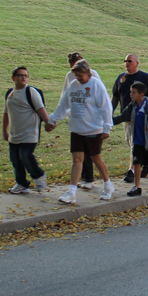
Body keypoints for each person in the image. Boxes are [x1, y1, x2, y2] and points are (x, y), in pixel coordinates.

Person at [46, 59, 114, 204]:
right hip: (77, 130)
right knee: (77, 160)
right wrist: (53, 119)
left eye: (80, 75)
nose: (78, 78)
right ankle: (71, 193)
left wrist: (107, 127)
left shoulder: (96, 85)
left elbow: (105, 107)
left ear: (88, 73)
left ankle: (108, 186)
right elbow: (63, 106)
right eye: (76, 76)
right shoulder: (73, 86)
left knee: (96, 159)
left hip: (93, 129)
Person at [2, 66, 51, 195]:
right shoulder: (10, 94)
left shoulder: (31, 92)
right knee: (15, 160)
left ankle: (39, 176)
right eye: (20, 75)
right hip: (14, 133)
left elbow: (41, 109)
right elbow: (6, 113)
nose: (23, 78)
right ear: (13, 78)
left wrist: (48, 122)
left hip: (30, 133)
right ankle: (22, 184)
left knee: (25, 156)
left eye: (26, 75)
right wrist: (4, 130)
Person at [110, 53, 148, 183]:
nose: (127, 63)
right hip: (127, 117)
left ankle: (131, 170)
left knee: (135, 144)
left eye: (129, 61)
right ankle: (145, 164)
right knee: (132, 143)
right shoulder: (121, 78)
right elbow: (115, 97)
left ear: (137, 62)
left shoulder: (145, 77)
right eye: (125, 61)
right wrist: (109, 112)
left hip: (142, 118)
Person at [115, 82, 148, 197]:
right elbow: (122, 117)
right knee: (137, 163)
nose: (130, 94)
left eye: (133, 92)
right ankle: (137, 186)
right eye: (131, 92)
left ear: (141, 94)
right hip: (137, 140)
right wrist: (108, 122)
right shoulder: (133, 106)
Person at [63, 52, 99, 189]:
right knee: (78, 153)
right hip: (77, 118)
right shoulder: (70, 76)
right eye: (72, 64)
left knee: (92, 154)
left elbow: (101, 98)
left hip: (90, 119)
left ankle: (92, 179)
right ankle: (82, 180)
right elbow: (65, 96)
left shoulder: (93, 76)